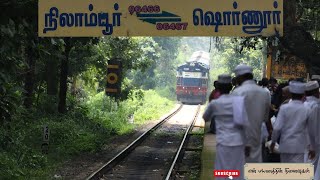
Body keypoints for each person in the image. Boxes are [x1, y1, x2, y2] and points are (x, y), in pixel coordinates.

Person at [203, 74, 247, 180]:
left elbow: (205, 117)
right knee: (237, 171)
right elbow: (244, 122)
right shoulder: (238, 101)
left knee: (222, 171)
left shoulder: (215, 103)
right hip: (238, 142)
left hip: (223, 142)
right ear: (231, 87)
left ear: (218, 88)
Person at [232, 64, 272, 163]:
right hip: (258, 136)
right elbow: (266, 117)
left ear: (240, 77)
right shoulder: (264, 93)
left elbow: (237, 120)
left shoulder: (237, 92)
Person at [270, 81, 312, 163]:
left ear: (291, 94)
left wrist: (273, 142)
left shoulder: (284, 108)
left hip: (285, 145)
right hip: (299, 146)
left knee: (286, 171)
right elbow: (310, 130)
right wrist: (312, 147)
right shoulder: (307, 109)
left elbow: (277, 128)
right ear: (303, 95)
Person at [304, 81, 319, 166]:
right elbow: (314, 128)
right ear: (315, 92)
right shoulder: (315, 106)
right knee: (312, 167)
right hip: (313, 143)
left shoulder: (305, 104)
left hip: (304, 141)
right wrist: (313, 147)